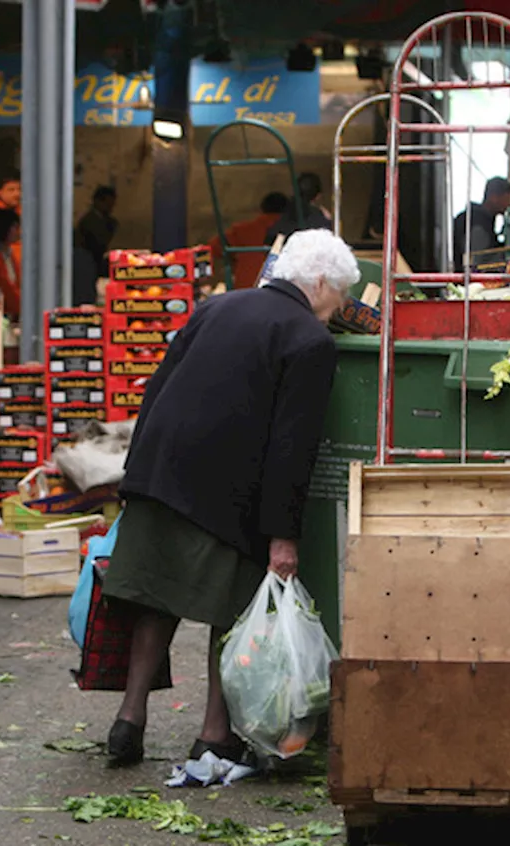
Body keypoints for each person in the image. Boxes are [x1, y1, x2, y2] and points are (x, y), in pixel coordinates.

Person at [101, 228, 358, 767]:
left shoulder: (216, 307)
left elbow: (156, 388)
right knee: (233, 611)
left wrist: (134, 476)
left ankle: (129, 720)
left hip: (159, 471)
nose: (340, 310)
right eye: (340, 297)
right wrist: (283, 536)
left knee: (156, 597)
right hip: (226, 489)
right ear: (317, 283)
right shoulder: (311, 343)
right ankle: (215, 735)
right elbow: (293, 448)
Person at [207, 192, 289, 289]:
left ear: (262, 208)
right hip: (279, 290)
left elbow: (213, 247)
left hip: (245, 288)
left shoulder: (243, 230)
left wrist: (233, 260)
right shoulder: (294, 232)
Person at [453, 176, 510, 272]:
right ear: (494, 197)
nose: (508, 204)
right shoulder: (477, 222)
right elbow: (476, 262)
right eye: (506, 199)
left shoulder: (480, 219)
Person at [263, 173, 333, 246]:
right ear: (318, 196)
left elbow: (270, 241)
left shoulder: (284, 213)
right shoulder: (321, 219)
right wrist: (328, 221)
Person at [76, 185, 119, 278]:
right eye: (107, 204)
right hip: (89, 261)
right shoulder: (89, 221)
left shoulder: (108, 221)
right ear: (98, 201)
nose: (110, 208)